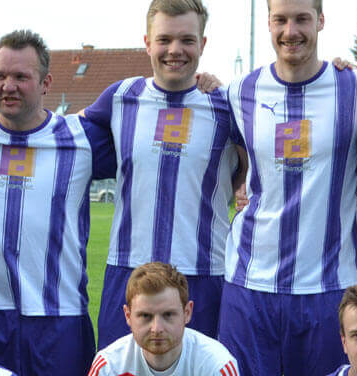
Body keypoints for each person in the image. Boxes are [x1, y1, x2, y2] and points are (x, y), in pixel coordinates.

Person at [218, 0, 357, 376]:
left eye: (302, 19)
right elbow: (235, 161)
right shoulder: (240, 91)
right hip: (249, 283)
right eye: (280, 19)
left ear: (321, 21)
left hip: (328, 287)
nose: (290, 30)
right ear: (269, 23)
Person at [0, 29, 113, 376]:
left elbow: (145, 128)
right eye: (0, 76)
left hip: (59, 316)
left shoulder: (82, 139)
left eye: (21, 77)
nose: (8, 86)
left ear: (46, 82)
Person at [78, 0, 242, 345]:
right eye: (164, 40)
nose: (175, 50)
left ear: (203, 44)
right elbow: (51, 133)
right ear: (147, 42)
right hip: (128, 271)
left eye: (186, 40)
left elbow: (251, 165)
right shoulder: (120, 98)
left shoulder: (228, 106)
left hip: (203, 275)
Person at [83, 262, 244, 376]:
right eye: (145, 316)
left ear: (187, 313)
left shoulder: (217, 366)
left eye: (168, 315)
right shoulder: (108, 366)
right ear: (128, 315)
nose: (157, 329)